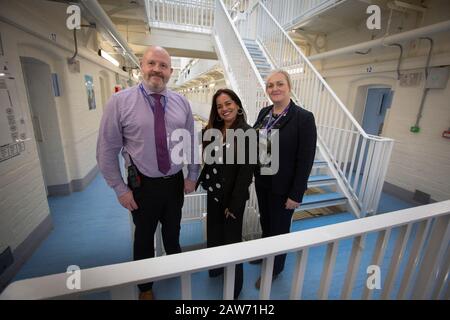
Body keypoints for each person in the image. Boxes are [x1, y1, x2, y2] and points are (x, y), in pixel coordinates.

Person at [96, 46, 199, 300]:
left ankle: (174, 267)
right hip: (143, 185)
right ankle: (145, 287)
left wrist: (192, 174)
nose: (157, 70)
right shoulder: (120, 102)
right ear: (141, 66)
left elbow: (190, 142)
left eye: (163, 66)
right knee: (143, 238)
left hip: (174, 183)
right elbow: (106, 150)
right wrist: (120, 189)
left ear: (170, 72)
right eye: (152, 63)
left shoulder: (181, 103)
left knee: (173, 232)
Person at [252, 70, 317, 289]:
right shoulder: (264, 113)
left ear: (289, 87)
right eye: (270, 85)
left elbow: (305, 159)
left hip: (285, 188)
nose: (274, 89)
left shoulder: (303, 118)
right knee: (266, 223)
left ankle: (274, 269)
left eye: (279, 84)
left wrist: (296, 194)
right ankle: (264, 255)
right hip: (263, 182)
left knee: (279, 229)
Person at [196, 89, 255, 299]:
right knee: (214, 235)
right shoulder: (214, 130)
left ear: (237, 105)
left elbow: (245, 174)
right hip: (213, 194)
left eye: (228, 103)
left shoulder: (248, 133)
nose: (224, 109)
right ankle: (216, 269)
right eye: (219, 106)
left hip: (232, 200)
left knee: (232, 243)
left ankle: (235, 288)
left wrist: (235, 204)